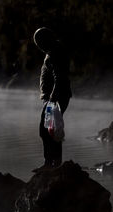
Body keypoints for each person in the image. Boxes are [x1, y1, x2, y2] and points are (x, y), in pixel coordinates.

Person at [32, 27, 72, 172]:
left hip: (56, 97)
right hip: (57, 96)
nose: (39, 45)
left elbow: (59, 76)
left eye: (40, 41)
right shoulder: (54, 50)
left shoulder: (54, 52)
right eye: (37, 43)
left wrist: (53, 97)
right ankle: (54, 162)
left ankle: (50, 163)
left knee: (46, 130)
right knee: (51, 130)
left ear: (47, 39)